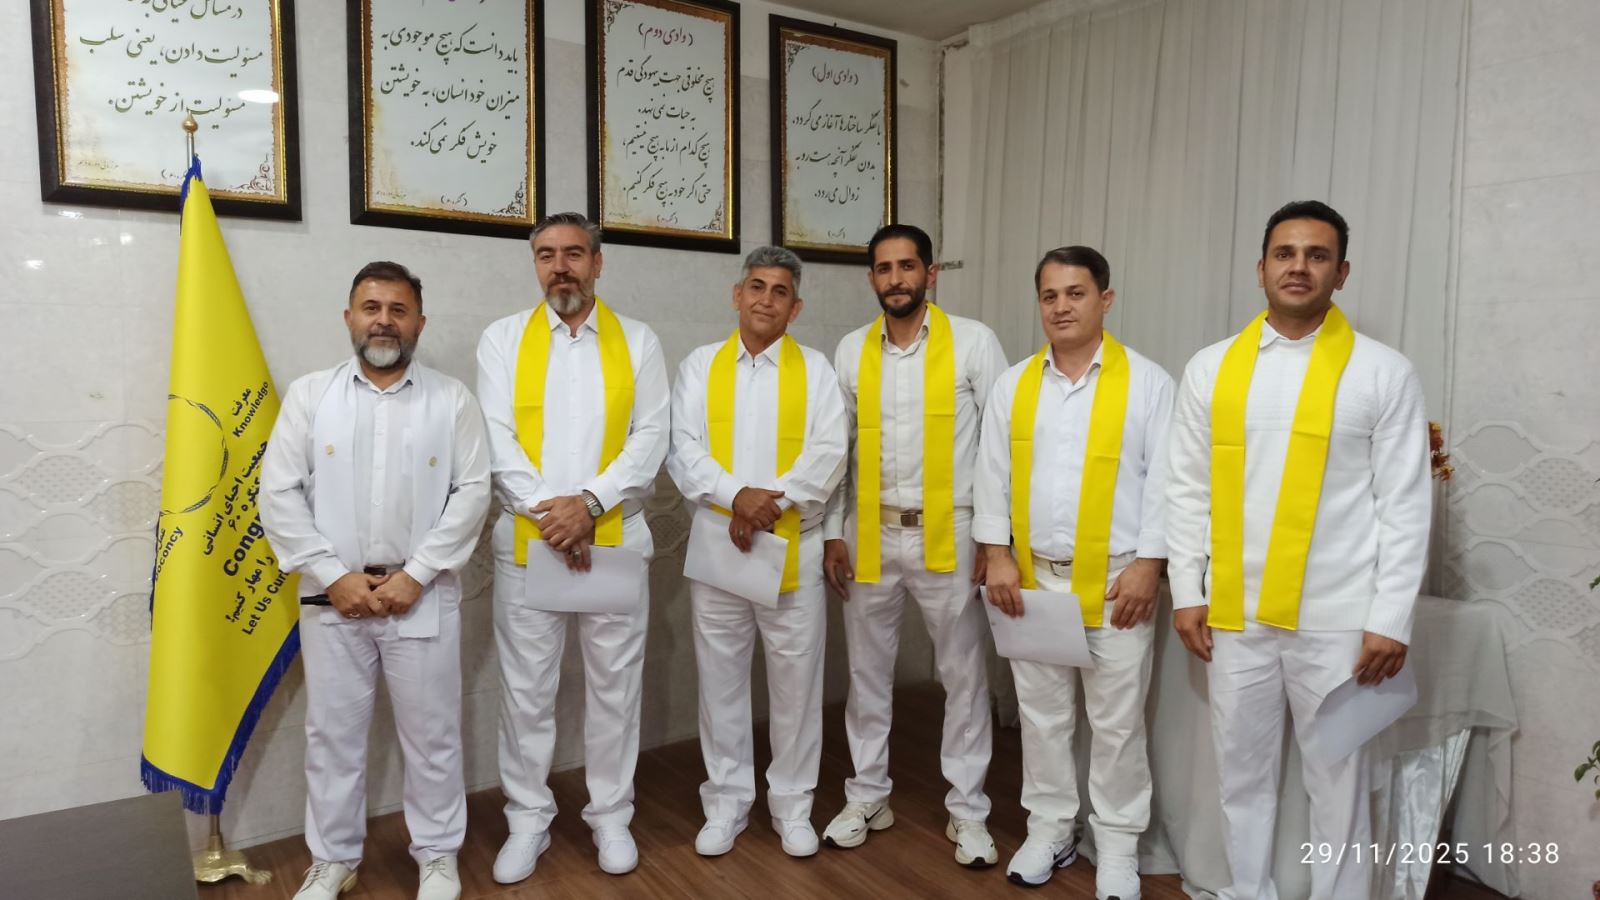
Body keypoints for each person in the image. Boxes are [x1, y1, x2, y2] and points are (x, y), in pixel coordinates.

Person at [1166, 200, 1431, 900]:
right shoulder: (1210, 368)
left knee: (1338, 781)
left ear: (1341, 273)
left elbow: (1404, 504)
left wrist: (1390, 617)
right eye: (1285, 253)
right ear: (1260, 268)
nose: (1299, 266)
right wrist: (1188, 591)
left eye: (1317, 255)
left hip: (1339, 618)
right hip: (1235, 613)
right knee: (1240, 774)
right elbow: (1187, 489)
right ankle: (1247, 890)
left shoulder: (1383, 372)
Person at [262, 261, 491, 900]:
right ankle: (333, 859)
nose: (384, 321)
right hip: (333, 599)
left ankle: (437, 855)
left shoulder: (452, 399)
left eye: (398, 309)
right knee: (331, 737)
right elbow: (278, 492)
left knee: (433, 735)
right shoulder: (310, 396)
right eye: (371, 308)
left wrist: (415, 576)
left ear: (420, 321)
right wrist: (333, 575)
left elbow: (473, 492)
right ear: (349, 317)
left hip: (421, 595)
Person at [475, 213, 670, 882]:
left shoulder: (638, 341)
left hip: (612, 540)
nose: (560, 267)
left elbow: (651, 438)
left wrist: (588, 505)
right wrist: (556, 517)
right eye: (547, 255)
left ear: (598, 262)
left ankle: (611, 815)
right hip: (530, 544)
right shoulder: (503, 340)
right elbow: (498, 439)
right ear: (535, 264)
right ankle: (527, 820)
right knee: (526, 691)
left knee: (615, 688)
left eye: (574, 254)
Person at [976, 246, 1172, 897]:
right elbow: (992, 475)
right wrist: (996, 553)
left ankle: (1116, 847)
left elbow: (1167, 483)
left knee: (1117, 724)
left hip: (1118, 583)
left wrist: (1150, 565)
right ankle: (1051, 829)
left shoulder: (1148, 384)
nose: (1061, 307)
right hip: (1033, 581)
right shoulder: (1014, 385)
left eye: (1076, 293)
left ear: (1105, 300)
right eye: (1050, 295)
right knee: (1042, 717)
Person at [819, 223, 1007, 867]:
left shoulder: (974, 342)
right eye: (884, 268)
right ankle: (868, 795)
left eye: (907, 266)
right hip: (869, 532)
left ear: (931, 274)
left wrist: (995, 539)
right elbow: (838, 450)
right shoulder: (851, 350)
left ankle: (968, 810)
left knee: (963, 674)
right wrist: (833, 533)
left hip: (950, 531)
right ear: (871, 277)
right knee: (867, 673)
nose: (895, 279)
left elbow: (1000, 446)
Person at [666, 246, 848, 859]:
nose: (766, 299)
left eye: (780, 291)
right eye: (757, 286)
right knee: (720, 682)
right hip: (721, 546)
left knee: (796, 687)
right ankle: (726, 803)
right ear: (737, 295)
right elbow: (683, 447)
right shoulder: (700, 366)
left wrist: (770, 505)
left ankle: (792, 806)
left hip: (793, 547)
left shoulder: (816, 371)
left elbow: (830, 451)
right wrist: (735, 497)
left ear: (796, 308)